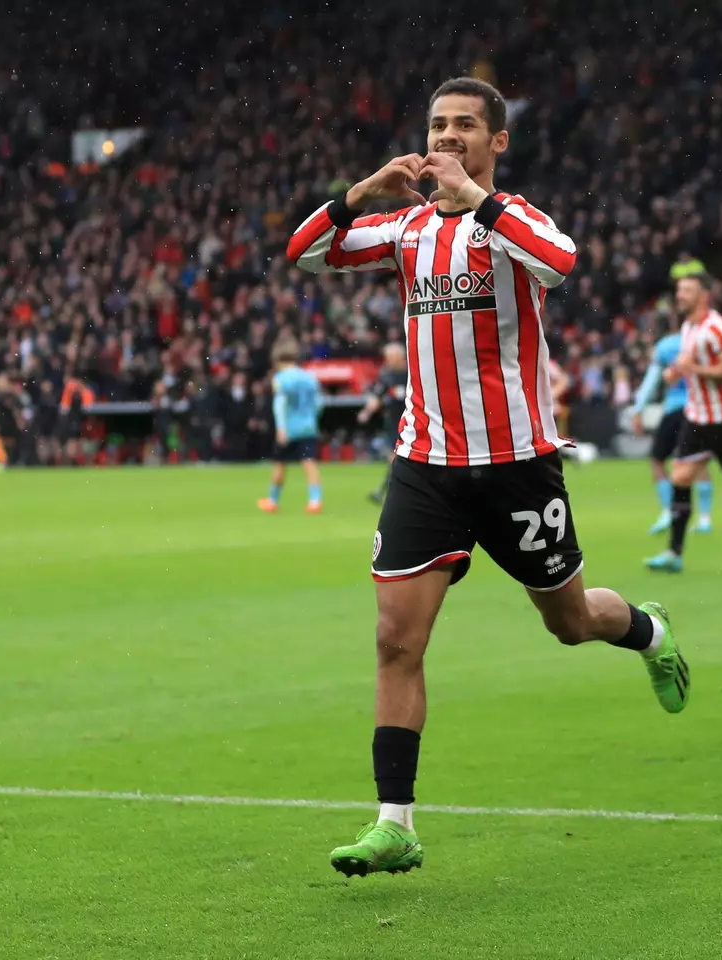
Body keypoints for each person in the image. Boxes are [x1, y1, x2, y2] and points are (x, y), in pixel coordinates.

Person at [286, 76, 689, 879]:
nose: (448, 137)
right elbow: (304, 255)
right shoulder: (402, 230)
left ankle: (646, 631)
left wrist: (478, 200)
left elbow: (561, 261)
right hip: (426, 467)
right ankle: (394, 823)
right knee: (396, 638)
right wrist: (361, 192)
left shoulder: (513, 222)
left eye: (465, 126)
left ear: (496, 141)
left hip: (516, 469)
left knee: (570, 622)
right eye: (438, 125)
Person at [644, 273, 722, 572]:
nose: (680, 295)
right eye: (679, 289)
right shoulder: (689, 326)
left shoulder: (715, 327)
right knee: (680, 477)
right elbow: (689, 361)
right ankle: (674, 554)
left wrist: (697, 370)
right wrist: (678, 371)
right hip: (697, 416)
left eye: (687, 290)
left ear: (704, 296)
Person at [630, 317, 714, 535]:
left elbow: (652, 381)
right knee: (699, 461)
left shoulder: (665, 346)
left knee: (658, 460)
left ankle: (668, 511)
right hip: (698, 408)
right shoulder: (701, 342)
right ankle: (705, 518)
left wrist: (638, 409)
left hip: (674, 409)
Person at [257, 338, 325, 514]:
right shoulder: (310, 377)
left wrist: (281, 428)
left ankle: (273, 500)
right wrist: (311, 419)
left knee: (280, 464)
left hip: (288, 429)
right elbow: (319, 403)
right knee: (309, 463)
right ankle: (315, 501)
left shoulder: (281, 379)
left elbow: (280, 405)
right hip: (308, 427)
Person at [357, 342, 409, 504]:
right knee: (395, 458)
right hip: (394, 424)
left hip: (412, 422)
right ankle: (390, 492)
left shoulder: (413, 374)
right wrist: (366, 412)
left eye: (391, 357)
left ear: (401, 357)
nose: (388, 361)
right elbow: (377, 397)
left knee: (398, 459)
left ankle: (387, 491)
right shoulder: (387, 376)